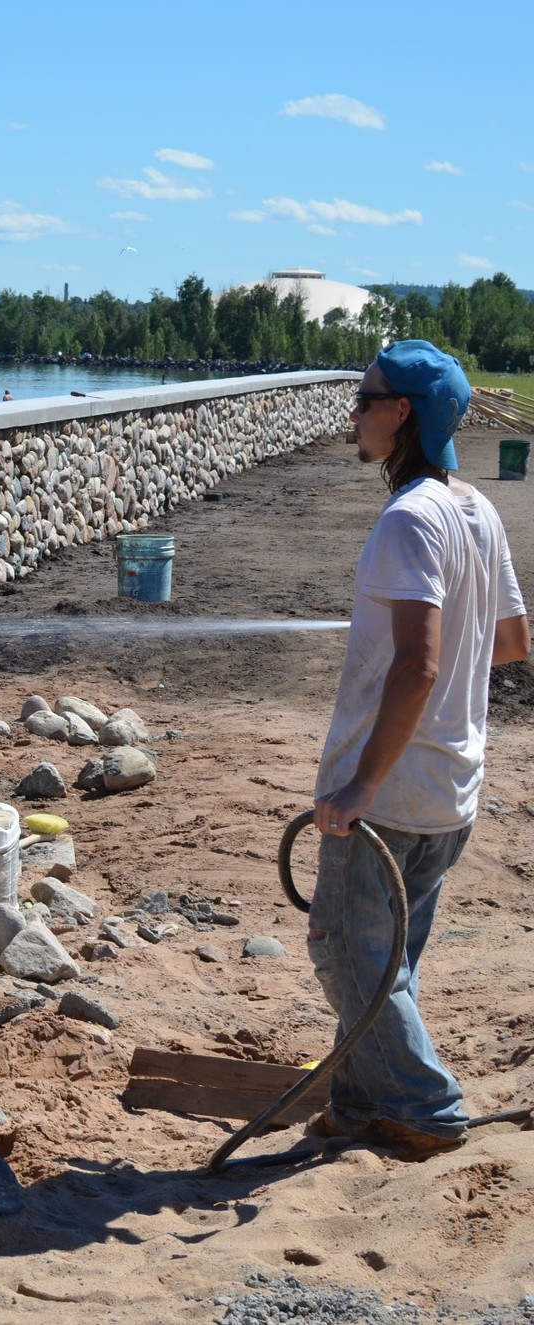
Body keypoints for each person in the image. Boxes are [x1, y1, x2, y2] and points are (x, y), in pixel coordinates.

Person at [307, 339, 529, 1160]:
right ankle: (362, 1106)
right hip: (454, 786)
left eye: (366, 399)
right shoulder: (476, 509)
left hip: (393, 793)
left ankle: (425, 1106)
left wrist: (364, 779)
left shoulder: (409, 519)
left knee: (341, 949)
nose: (355, 412)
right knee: (386, 960)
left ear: (404, 413)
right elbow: (510, 643)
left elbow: (420, 662)